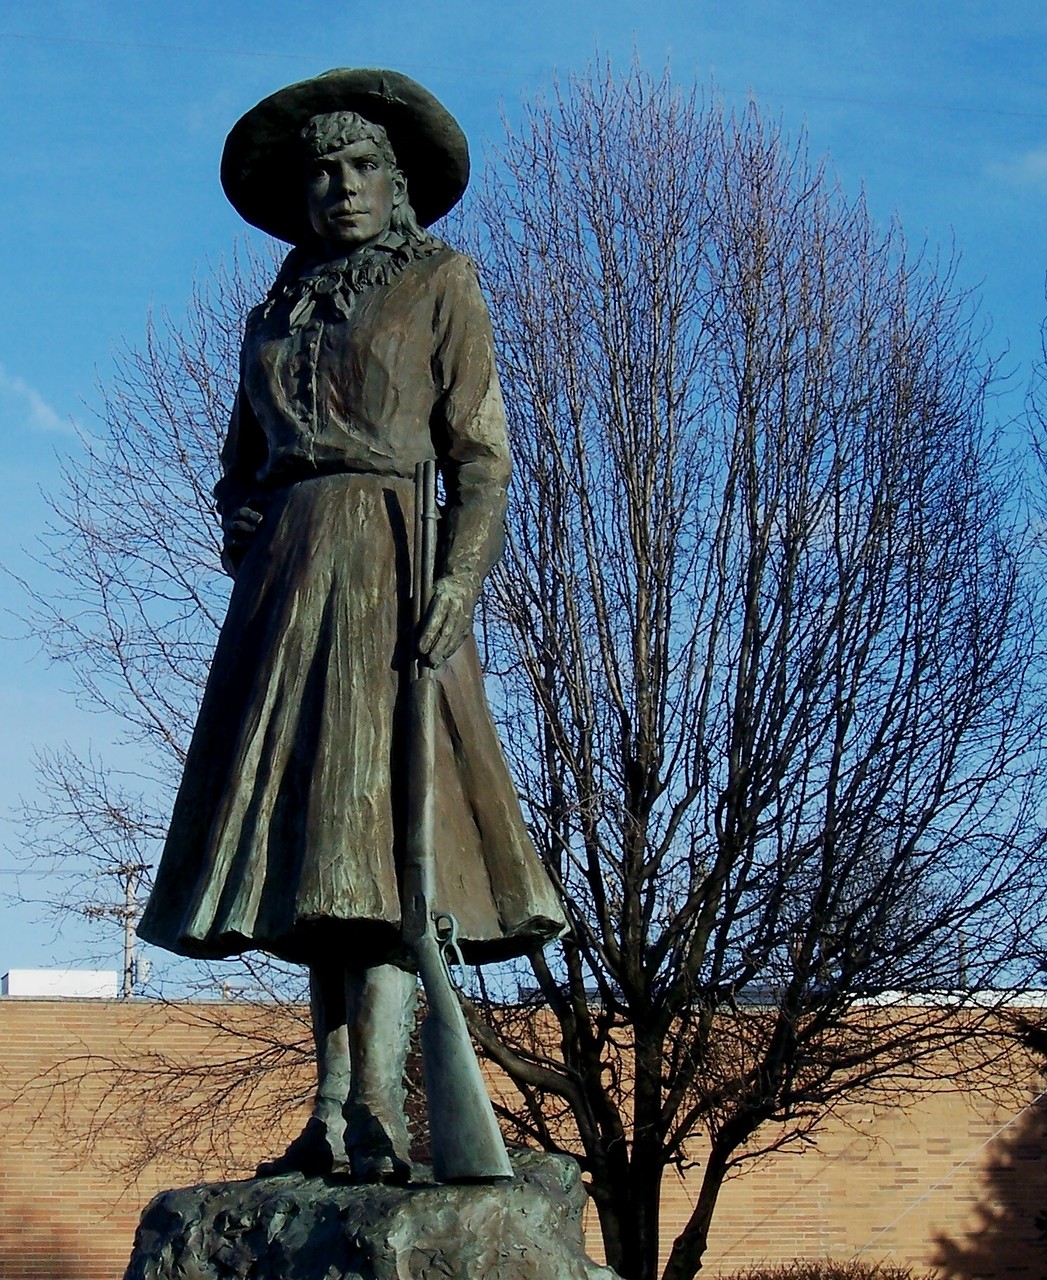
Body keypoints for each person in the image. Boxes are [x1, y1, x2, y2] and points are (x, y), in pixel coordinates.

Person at [137, 69, 566, 1184]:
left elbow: (481, 455)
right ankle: (328, 1103)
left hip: (392, 564)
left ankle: (378, 1100)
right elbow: (237, 464)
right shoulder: (272, 312)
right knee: (313, 859)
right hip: (286, 584)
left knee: (381, 849)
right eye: (320, 171)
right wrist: (250, 529)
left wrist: (459, 584)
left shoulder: (440, 282)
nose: (339, 186)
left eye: (360, 165)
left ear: (397, 182)